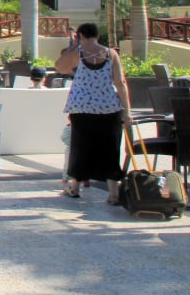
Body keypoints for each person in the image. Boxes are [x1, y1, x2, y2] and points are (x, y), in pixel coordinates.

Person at [55, 22, 132, 204]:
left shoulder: (77, 53)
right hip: (109, 108)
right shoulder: (111, 54)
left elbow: (59, 66)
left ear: (80, 35)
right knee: (111, 150)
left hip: (82, 109)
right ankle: (113, 193)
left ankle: (75, 187)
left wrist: (73, 46)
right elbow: (120, 83)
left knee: (80, 147)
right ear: (97, 35)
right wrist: (127, 111)